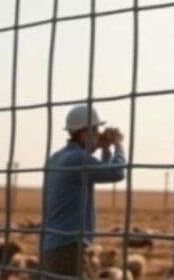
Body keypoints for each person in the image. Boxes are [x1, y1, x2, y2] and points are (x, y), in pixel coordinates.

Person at [41, 105, 127, 278]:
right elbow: (116, 172)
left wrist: (104, 149)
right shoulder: (76, 158)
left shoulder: (57, 158)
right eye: (96, 131)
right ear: (83, 134)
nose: (99, 135)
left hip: (52, 247)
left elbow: (102, 170)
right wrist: (118, 144)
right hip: (69, 248)